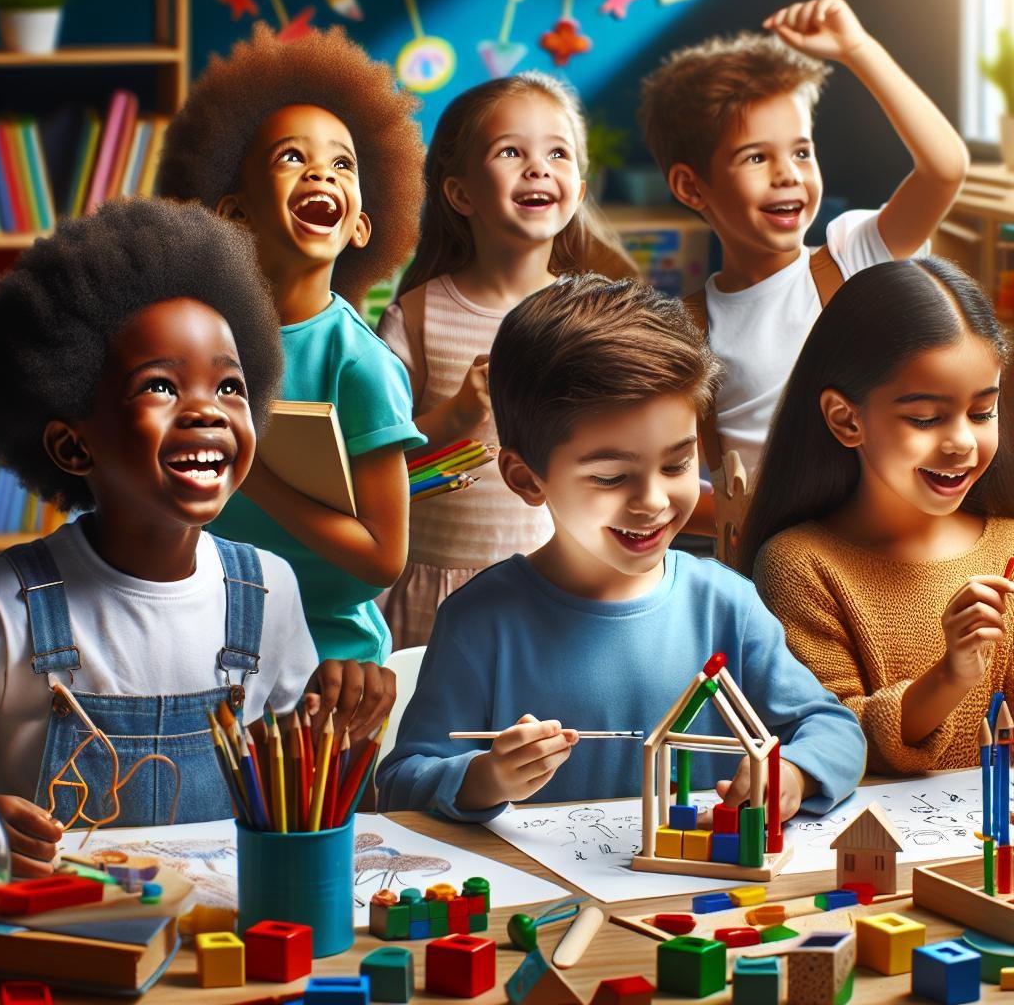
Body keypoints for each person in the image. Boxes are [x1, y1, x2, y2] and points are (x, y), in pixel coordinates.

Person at [377, 275, 865, 821]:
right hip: (544, 902)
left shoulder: (726, 605)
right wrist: (483, 778)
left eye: (677, 464)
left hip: (699, 897)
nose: (652, 501)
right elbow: (401, 782)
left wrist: (792, 773)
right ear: (526, 478)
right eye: (611, 477)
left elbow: (835, 731)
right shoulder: (480, 620)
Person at [0, 199, 320, 875]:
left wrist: (338, 713)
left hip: (226, 942)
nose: (206, 409)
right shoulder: (6, 604)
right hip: (64, 943)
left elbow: (301, 787)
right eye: (161, 386)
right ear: (72, 446)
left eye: (230, 385)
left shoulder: (267, 591)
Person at [157, 25, 426, 732]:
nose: (321, 174)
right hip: (200, 642)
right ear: (234, 213)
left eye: (342, 164)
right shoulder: (195, 340)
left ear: (362, 224)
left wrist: (253, 474)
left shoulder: (360, 364)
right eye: (291, 158)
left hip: (325, 671)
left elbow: (382, 558)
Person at [639, 0, 968, 564]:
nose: (789, 174)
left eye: (801, 150)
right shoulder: (687, 329)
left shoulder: (853, 255)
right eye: (756, 158)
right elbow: (668, 480)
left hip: (884, 555)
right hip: (767, 569)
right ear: (693, 188)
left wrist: (856, 49)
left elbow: (944, 169)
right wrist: (750, 516)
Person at [378, 73, 637, 650]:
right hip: (430, 588)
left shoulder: (590, 316)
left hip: (551, 586)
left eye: (557, 152)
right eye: (510, 151)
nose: (538, 167)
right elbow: (373, 464)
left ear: (578, 183)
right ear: (460, 193)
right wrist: (458, 417)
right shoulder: (417, 316)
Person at [745, 257, 1014, 774]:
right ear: (846, 419)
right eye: (925, 418)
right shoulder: (800, 566)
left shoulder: (1008, 548)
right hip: (872, 844)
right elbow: (826, 743)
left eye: (982, 412)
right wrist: (950, 676)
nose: (961, 442)